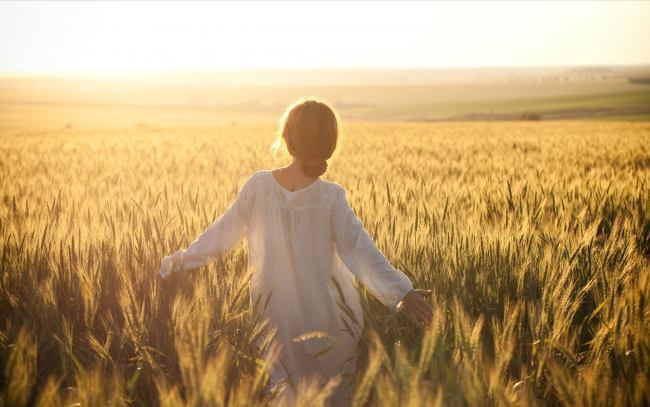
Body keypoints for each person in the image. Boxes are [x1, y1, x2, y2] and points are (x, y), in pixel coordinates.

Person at [152, 97, 433, 406]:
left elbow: (217, 238)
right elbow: (361, 251)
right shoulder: (330, 197)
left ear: (286, 139)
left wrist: (170, 268)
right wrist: (402, 291)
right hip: (330, 326)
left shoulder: (259, 186)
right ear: (330, 144)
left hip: (273, 322)